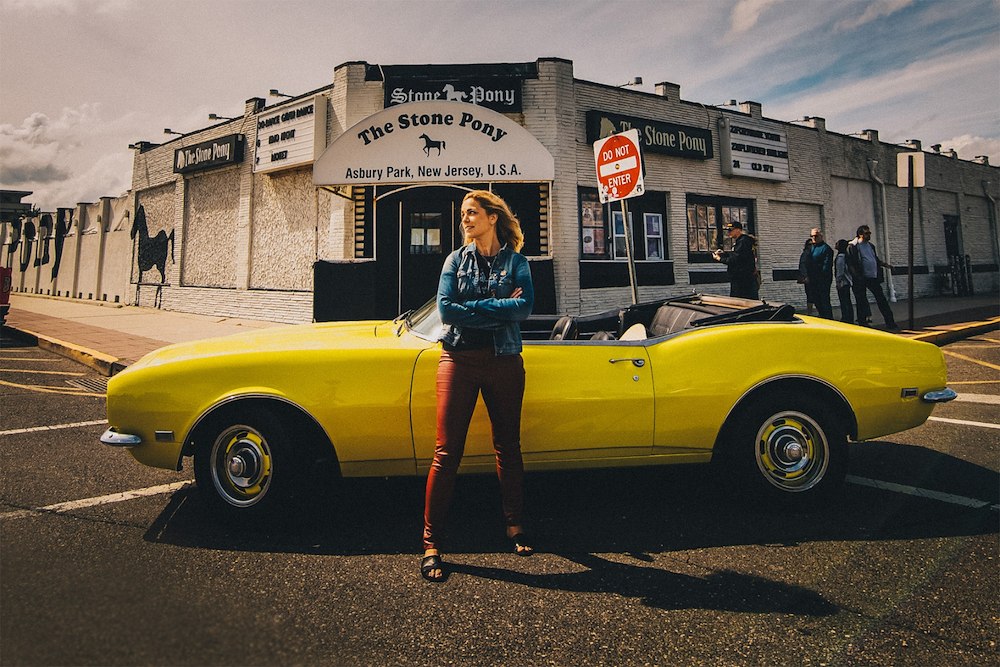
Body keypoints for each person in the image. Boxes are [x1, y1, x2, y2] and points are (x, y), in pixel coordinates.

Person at [421, 190, 535, 582]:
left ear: (492, 217)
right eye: (463, 214)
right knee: (446, 451)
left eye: (472, 213)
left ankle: (515, 525)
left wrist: (472, 309)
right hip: (458, 359)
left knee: (508, 446)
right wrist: (498, 308)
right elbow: (445, 309)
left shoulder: (517, 263)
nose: (465, 219)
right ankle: (431, 543)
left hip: (504, 360)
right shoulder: (455, 260)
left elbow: (524, 308)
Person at [846, 225, 898, 329]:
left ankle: (890, 322)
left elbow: (875, 259)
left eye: (869, 233)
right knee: (861, 301)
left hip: (872, 277)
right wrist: (856, 276)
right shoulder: (853, 246)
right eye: (866, 233)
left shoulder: (870, 246)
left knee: (881, 299)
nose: (869, 235)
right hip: (860, 277)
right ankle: (862, 322)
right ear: (860, 234)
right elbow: (850, 263)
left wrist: (887, 265)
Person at [712, 221, 759, 299]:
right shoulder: (740, 242)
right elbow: (736, 255)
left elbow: (735, 260)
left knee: (742, 301)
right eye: (728, 230)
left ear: (738, 230)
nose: (729, 232)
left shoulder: (743, 242)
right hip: (740, 279)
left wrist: (719, 258)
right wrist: (724, 254)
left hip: (743, 281)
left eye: (731, 230)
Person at [802, 228, 834, 319]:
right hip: (812, 279)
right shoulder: (811, 248)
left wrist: (821, 277)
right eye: (812, 236)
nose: (813, 238)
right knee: (816, 300)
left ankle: (828, 318)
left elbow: (826, 266)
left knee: (824, 300)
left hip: (822, 280)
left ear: (821, 236)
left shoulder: (826, 249)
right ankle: (822, 316)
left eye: (816, 236)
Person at [834, 239, 854, 324]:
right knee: (847, 300)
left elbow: (840, 270)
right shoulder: (846, 256)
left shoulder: (841, 257)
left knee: (844, 300)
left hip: (843, 282)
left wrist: (838, 281)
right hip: (847, 281)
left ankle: (846, 317)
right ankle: (850, 317)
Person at [797, 237, 815, 315]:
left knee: (814, 295)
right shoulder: (806, 254)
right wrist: (805, 276)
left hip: (814, 277)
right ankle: (810, 312)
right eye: (810, 245)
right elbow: (802, 265)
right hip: (809, 277)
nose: (811, 246)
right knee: (810, 295)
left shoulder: (813, 253)